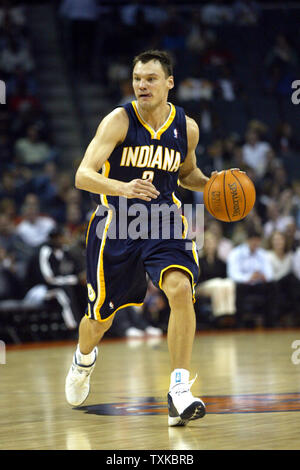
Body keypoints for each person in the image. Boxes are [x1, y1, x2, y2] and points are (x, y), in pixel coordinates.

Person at [65, 50, 212, 427]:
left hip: (164, 222)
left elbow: (187, 174)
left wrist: (214, 185)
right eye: (137, 79)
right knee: (99, 321)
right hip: (117, 224)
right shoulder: (118, 119)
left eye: (150, 78)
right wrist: (123, 188)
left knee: (180, 289)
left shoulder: (186, 127)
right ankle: (83, 359)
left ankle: (178, 390)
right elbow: (83, 175)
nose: (142, 85)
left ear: (169, 83)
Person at [227, 226, 275, 327]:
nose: (255, 243)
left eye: (258, 240)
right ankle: (239, 323)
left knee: (273, 286)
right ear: (247, 240)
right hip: (244, 286)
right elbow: (233, 274)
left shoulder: (263, 254)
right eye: (253, 240)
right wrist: (249, 277)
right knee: (239, 287)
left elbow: (270, 274)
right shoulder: (236, 253)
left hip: (259, 284)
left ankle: (270, 322)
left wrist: (263, 276)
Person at [195, 230, 236, 324]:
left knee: (229, 283)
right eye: (208, 242)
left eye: (212, 242)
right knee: (218, 284)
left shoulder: (220, 262)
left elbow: (225, 277)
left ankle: (229, 314)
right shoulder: (199, 260)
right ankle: (219, 316)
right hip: (201, 287)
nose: (210, 245)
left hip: (217, 285)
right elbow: (197, 278)